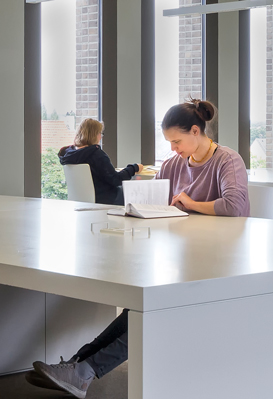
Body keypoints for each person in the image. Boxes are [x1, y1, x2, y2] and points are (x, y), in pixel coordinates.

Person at [25, 99, 249, 398]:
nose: (173, 149)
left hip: (221, 263)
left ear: (196, 131)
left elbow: (235, 206)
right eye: (169, 142)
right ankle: (79, 365)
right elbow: (154, 202)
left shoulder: (227, 160)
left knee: (154, 313)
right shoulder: (172, 164)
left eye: (177, 141)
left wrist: (190, 203)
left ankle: (82, 372)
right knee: (136, 312)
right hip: (182, 257)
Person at [58, 119, 143, 205]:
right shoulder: (96, 154)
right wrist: (134, 168)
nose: (101, 136)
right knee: (137, 193)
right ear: (94, 135)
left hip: (79, 201)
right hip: (105, 199)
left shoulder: (68, 155)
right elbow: (116, 180)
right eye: (100, 133)